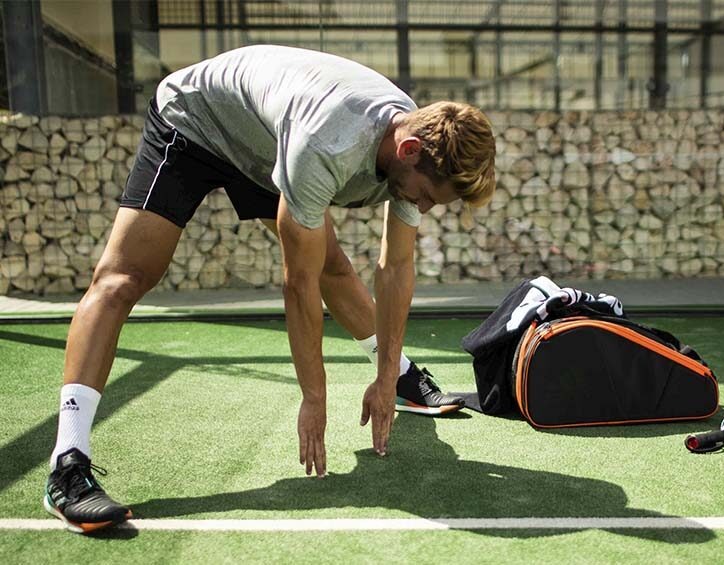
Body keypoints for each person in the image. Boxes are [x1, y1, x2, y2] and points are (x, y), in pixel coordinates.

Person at [43, 45, 496, 534]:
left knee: (333, 265)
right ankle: (67, 465)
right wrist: (314, 396)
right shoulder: (326, 144)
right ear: (408, 151)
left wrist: (386, 377)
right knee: (123, 279)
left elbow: (396, 266)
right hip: (196, 120)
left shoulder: (415, 141)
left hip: (264, 142)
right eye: (425, 197)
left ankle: (404, 378)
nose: (423, 209)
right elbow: (298, 283)